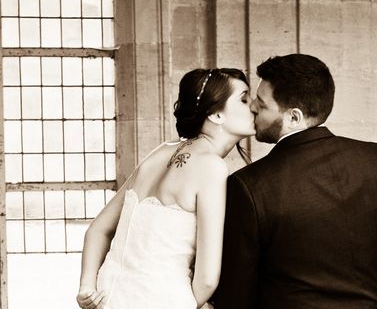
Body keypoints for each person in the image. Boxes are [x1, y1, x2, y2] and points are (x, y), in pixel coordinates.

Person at [213, 54, 377, 309]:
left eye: (262, 103)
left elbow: (237, 293)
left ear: (294, 117)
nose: (253, 108)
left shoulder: (249, 185)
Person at [76, 68, 255, 309]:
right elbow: (208, 278)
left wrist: (87, 288)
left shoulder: (159, 152)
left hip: (109, 296)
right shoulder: (211, 166)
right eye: (244, 99)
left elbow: (98, 229)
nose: (253, 106)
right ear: (215, 114)